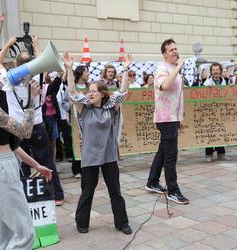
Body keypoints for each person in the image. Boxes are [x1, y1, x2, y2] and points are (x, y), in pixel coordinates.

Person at [0, 54, 52, 249]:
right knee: (25, 234)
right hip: (2, 170)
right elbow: (25, 132)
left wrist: (36, 165)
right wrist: (32, 101)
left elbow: (10, 144)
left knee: (3, 235)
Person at [64, 52, 133, 235]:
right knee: (87, 191)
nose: (90, 93)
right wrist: (70, 68)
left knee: (115, 191)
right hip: (90, 157)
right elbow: (72, 92)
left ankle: (121, 222)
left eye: (94, 91)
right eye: (89, 91)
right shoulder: (83, 108)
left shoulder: (111, 108)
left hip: (109, 155)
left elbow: (123, 91)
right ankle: (82, 222)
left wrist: (125, 68)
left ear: (102, 94)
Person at [0, 36, 65, 205]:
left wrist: (8, 44)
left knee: (22, 163)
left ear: (16, 66)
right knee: (46, 160)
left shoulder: (7, 78)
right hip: (37, 126)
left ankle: (27, 196)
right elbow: (44, 61)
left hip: (16, 128)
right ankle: (57, 195)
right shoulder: (38, 76)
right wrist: (36, 44)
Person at [145, 39, 189, 204]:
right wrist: (178, 67)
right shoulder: (162, 69)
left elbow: (178, 95)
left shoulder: (172, 68)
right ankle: (173, 191)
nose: (175, 52)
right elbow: (164, 86)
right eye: (171, 50)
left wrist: (180, 118)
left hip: (173, 118)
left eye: (176, 49)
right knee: (171, 155)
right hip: (165, 119)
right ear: (164, 54)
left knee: (163, 151)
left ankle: (152, 181)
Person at [203, 63, 230, 162]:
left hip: (222, 111)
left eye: (217, 69)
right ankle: (208, 154)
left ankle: (221, 153)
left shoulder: (225, 81)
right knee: (209, 131)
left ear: (220, 71)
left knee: (221, 131)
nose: (215, 71)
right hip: (210, 112)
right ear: (211, 71)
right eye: (213, 69)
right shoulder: (206, 83)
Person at [42, 71, 62, 162]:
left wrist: (59, 75)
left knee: (53, 142)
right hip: (43, 119)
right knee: (44, 142)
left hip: (53, 118)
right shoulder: (39, 90)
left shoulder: (52, 90)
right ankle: (45, 162)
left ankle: (52, 162)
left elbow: (56, 85)